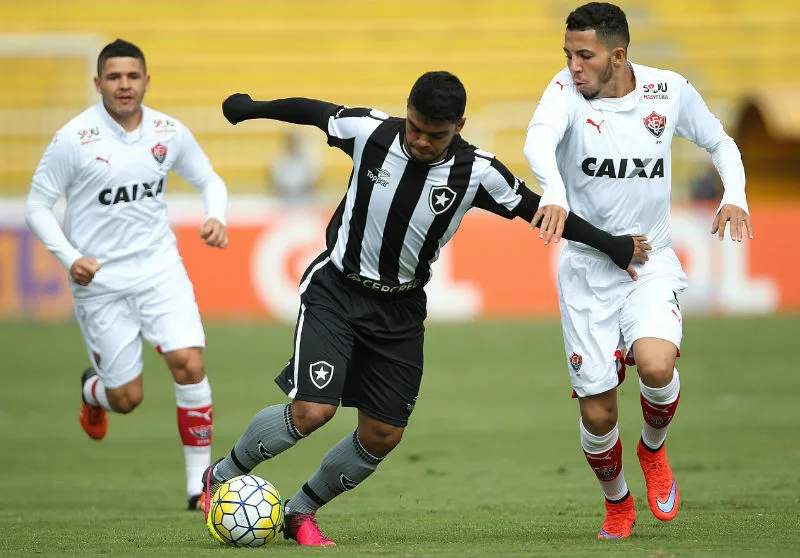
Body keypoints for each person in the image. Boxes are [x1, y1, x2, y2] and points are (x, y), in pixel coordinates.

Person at [200, 70, 650, 547]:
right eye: (414, 127)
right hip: (337, 291)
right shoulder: (370, 131)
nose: (420, 140)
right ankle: (222, 475)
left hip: (401, 311)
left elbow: (537, 209)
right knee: (314, 409)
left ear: (459, 125)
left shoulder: (478, 171)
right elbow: (313, 111)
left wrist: (613, 246)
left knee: (383, 433)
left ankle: (300, 512)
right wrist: (251, 108)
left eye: (435, 135)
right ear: (407, 111)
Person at [523, 2, 753, 539]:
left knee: (655, 364)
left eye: (584, 56)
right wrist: (554, 190)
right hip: (586, 269)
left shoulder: (667, 91)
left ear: (618, 55)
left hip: (650, 261)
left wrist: (735, 194)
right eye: (568, 55)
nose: (573, 66)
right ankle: (618, 502)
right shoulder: (564, 94)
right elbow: (538, 138)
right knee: (599, 416)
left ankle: (652, 449)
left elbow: (719, 140)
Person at [25, 39, 229, 511]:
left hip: (160, 269)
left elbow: (208, 179)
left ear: (146, 81)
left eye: (132, 76)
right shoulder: (73, 139)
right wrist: (69, 256)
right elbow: (37, 206)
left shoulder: (167, 131)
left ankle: (201, 487)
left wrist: (215, 214)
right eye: (114, 77)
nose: (124, 85)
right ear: (98, 83)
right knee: (127, 398)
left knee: (190, 365)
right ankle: (92, 390)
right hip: (100, 283)